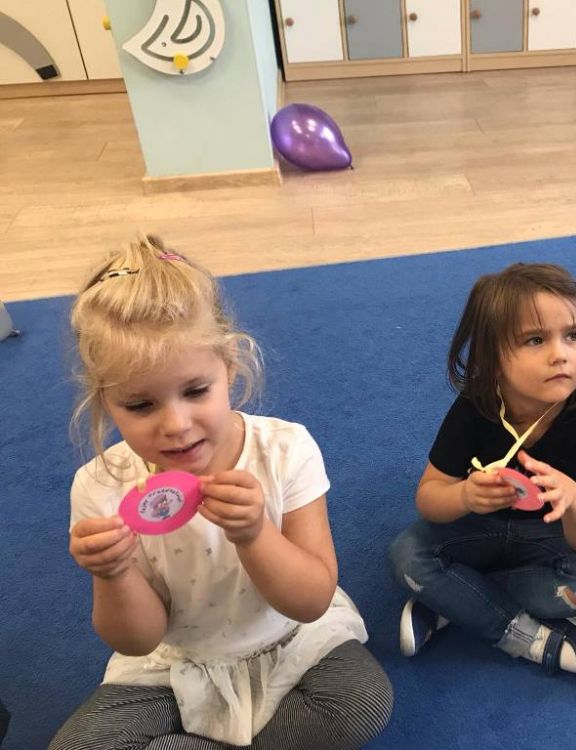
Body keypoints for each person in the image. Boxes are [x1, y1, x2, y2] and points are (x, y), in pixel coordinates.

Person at [50, 235, 392, 748]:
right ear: (104, 402)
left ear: (230, 365)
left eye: (195, 391)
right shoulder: (100, 486)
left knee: (360, 701)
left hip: (290, 643)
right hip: (176, 664)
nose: (176, 425)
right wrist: (113, 572)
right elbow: (138, 639)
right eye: (140, 405)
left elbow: (311, 601)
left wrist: (255, 535)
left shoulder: (285, 450)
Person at [389, 263, 576, 690]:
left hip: (548, 542)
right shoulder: (474, 407)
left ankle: (459, 600)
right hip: (476, 531)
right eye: (535, 340)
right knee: (407, 554)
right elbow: (429, 499)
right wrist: (463, 496)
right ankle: (528, 637)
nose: (561, 354)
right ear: (493, 357)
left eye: (573, 335)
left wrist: (574, 500)